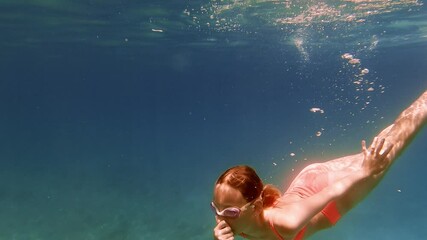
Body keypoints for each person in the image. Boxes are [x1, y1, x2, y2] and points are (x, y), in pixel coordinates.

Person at [211, 89, 427, 240]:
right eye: (216, 208)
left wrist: (364, 172)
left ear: (256, 207)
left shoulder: (287, 222)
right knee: (381, 145)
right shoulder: (234, 221)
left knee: (389, 149)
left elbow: (333, 191)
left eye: (229, 212)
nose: (220, 217)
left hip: (327, 189)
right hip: (309, 182)